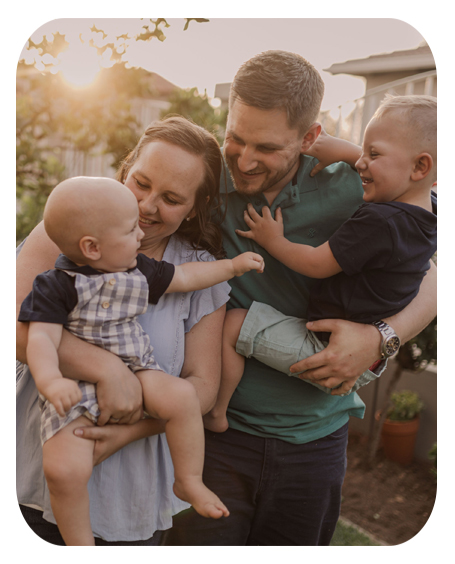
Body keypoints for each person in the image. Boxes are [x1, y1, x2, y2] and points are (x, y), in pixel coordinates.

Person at [164, 51, 437, 546]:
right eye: (235, 138)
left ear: (309, 139)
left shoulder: (360, 190)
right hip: (212, 438)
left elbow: (434, 269)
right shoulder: (203, 180)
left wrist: (383, 338)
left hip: (314, 442)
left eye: (266, 147)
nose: (244, 160)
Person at [16, 116, 238, 545]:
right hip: (38, 458)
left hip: (131, 488)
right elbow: (15, 327)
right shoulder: (69, 234)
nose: (147, 206)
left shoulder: (196, 271)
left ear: (195, 205)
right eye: (141, 183)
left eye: (172, 198)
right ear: (126, 169)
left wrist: (127, 432)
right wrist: (108, 370)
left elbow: (203, 387)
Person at [203, 94, 437, 434]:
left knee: (233, 324)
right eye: (236, 139)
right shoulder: (427, 211)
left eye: (372, 155)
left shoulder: (378, 221)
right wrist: (350, 151)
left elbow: (317, 263)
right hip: (363, 354)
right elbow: (397, 165)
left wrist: (273, 241)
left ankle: (215, 411)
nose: (360, 162)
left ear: (420, 167)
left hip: (330, 352)